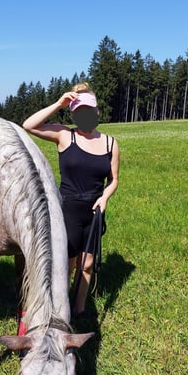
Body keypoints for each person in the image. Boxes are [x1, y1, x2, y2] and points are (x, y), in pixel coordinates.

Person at [23, 83, 119, 319]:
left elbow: (114, 180)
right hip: (67, 210)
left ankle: (79, 308)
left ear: (96, 111)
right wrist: (58, 104)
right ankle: (59, 307)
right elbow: (29, 125)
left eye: (89, 110)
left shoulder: (110, 143)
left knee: (87, 264)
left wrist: (105, 198)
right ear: (74, 113)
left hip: (95, 211)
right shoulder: (65, 136)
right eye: (79, 111)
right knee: (65, 263)